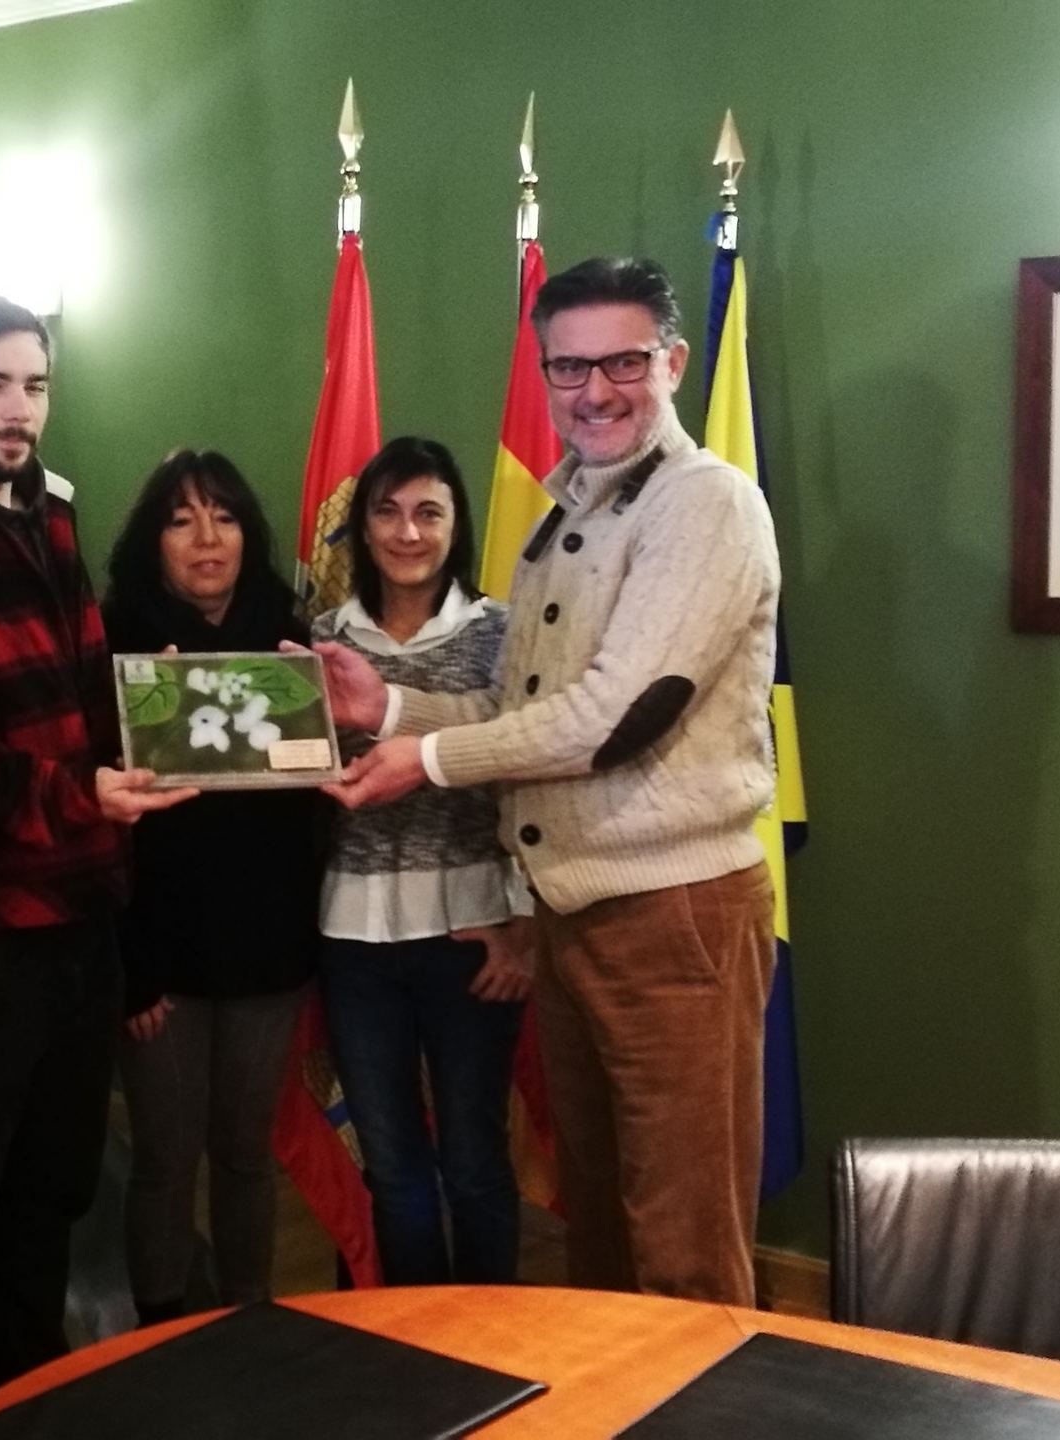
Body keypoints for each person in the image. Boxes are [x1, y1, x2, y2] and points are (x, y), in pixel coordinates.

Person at [321, 256, 781, 1306]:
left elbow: (612, 719)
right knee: (603, 1222)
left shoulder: (704, 505)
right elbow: (519, 710)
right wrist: (386, 708)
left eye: (624, 362)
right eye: (568, 368)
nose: (595, 390)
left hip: (674, 914)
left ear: (674, 362)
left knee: (684, 1239)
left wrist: (424, 760)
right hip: (577, 913)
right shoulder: (565, 515)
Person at [0, 290, 190, 1432]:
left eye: (36, 385)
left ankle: (28, 1401)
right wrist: (70, 795)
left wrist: (163, 718)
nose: (19, 409)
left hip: (81, 913)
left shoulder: (50, 506)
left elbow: (83, 689)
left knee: (52, 1191)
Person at [100, 450, 322, 1324]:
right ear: (152, 540)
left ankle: (248, 1319)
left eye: (223, 516)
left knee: (246, 1154)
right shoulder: (114, 642)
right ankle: (160, 1330)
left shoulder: (291, 640)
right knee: (164, 1157)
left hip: (268, 950)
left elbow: (313, 807)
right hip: (161, 961)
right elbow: (101, 826)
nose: (205, 537)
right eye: (181, 519)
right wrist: (131, 964)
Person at [309, 436, 531, 1287]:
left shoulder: (501, 633)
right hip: (353, 941)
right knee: (392, 1163)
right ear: (362, 527)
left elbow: (533, 776)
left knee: (474, 1160)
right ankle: (408, 1338)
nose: (408, 533)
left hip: (474, 934)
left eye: (428, 513)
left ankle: (486, 1337)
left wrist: (526, 927)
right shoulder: (321, 642)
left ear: (456, 525)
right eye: (388, 511)